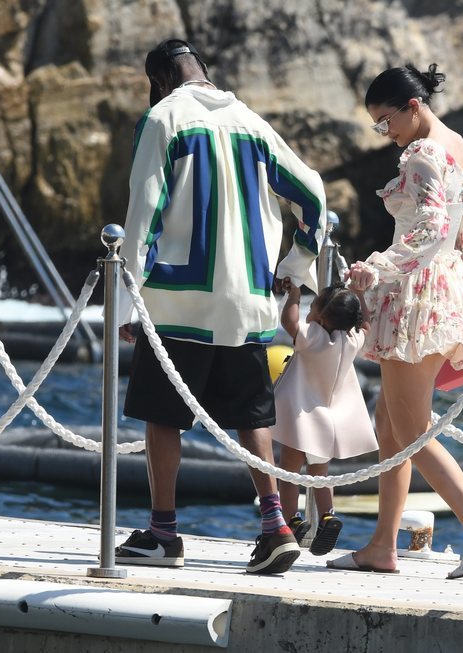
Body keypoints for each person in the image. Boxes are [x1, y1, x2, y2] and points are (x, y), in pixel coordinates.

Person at [114, 39, 326, 575]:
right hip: (248, 300)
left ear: (160, 80)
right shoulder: (252, 123)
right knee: (252, 416)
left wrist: (127, 300)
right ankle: (275, 526)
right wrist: (295, 265)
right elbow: (313, 195)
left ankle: (164, 534)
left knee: (163, 417)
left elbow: (145, 212)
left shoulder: (162, 119)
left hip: (177, 300)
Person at [327, 63, 463, 579]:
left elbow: (431, 225)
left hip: (417, 293)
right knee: (390, 425)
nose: (385, 133)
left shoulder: (423, 153)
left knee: (409, 429)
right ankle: (383, 545)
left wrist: (378, 266)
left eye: (386, 121)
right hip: (445, 287)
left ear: (413, 107)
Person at [272, 280, 378, 556]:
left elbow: (288, 321)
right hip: (329, 422)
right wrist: (360, 294)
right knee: (320, 474)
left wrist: (294, 293)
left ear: (320, 318)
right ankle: (328, 515)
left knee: (289, 472)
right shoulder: (352, 341)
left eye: (312, 308)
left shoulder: (313, 337)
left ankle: (292, 520)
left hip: (302, 417)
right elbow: (367, 325)